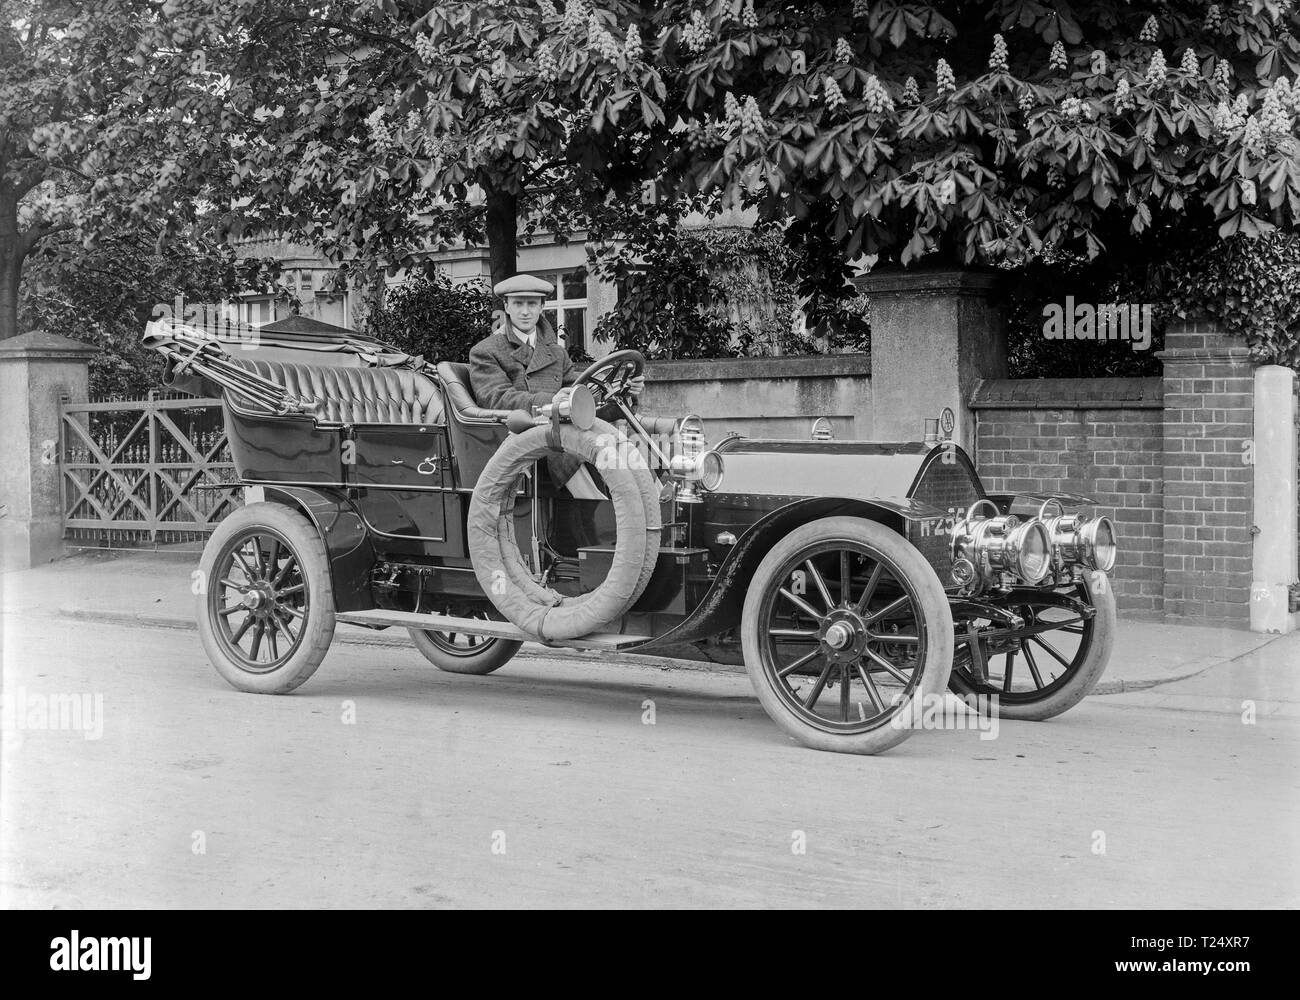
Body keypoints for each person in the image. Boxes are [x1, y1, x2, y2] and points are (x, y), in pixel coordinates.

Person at [469, 273, 644, 499]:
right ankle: (600, 511)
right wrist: (551, 402)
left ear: (542, 307)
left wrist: (624, 391)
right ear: (506, 306)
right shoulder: (486, 351)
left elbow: (583, 393)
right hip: (519, 435)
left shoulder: (557, 352)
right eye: (518, 303)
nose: (525, 311)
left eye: (532, 304)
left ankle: (651, 505)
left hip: (559, 432)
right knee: (571, 448)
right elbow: (496, 398)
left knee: (628, 436)